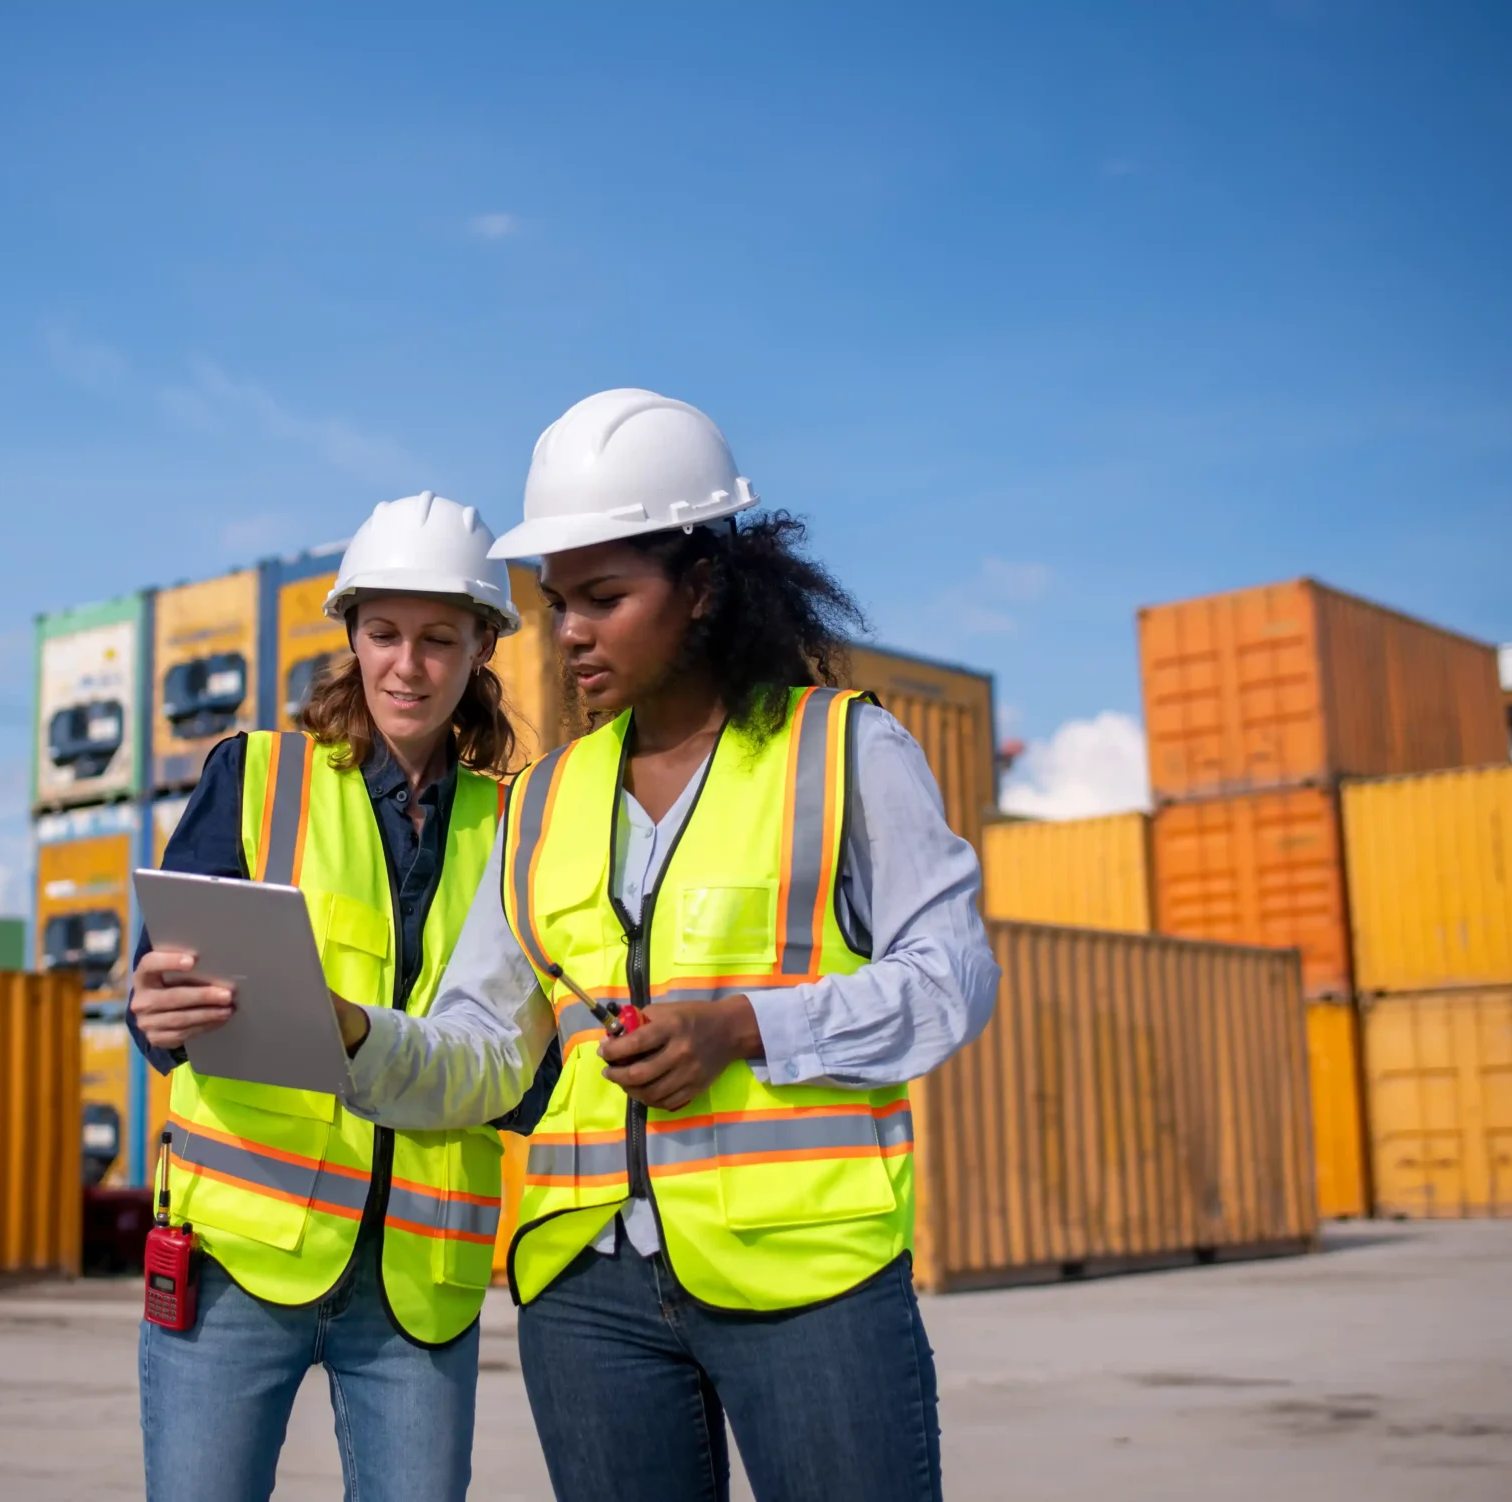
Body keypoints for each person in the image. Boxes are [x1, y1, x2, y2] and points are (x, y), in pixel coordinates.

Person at [335, 389, 1000, 1502]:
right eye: (556, 601)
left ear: (699, 588)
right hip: (582, 1290)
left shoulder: (842, 749)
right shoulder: (543, 800)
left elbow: (950, 982)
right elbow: (484, 1051)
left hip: (807, 1275)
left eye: (605, 595)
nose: (571, 630)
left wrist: (743, 1026)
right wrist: (349, 1033)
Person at [126, 490, 555, 1502]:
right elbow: (166, 997)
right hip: (240, 1259)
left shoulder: (524, 829)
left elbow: (529, 1071)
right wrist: (156, 1014)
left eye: (439, 638)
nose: (408, 664)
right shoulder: (258, 779)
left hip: (418, 1281)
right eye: (385, 633)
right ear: (352, 635)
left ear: (483, 645)